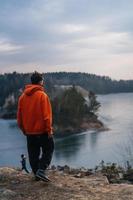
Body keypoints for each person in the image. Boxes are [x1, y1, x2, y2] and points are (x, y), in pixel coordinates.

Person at [17, 71, 54, 182]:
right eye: (43, 80)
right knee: (49, 148)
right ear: (40, 81)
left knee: (33, 154)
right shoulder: (42, 96)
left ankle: (37, 174)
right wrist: (49, 130)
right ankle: (41, 170)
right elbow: (47, 116)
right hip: (42, 131)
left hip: (29, 132)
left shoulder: (22, 97)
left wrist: (24, 130)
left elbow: (19, 118)